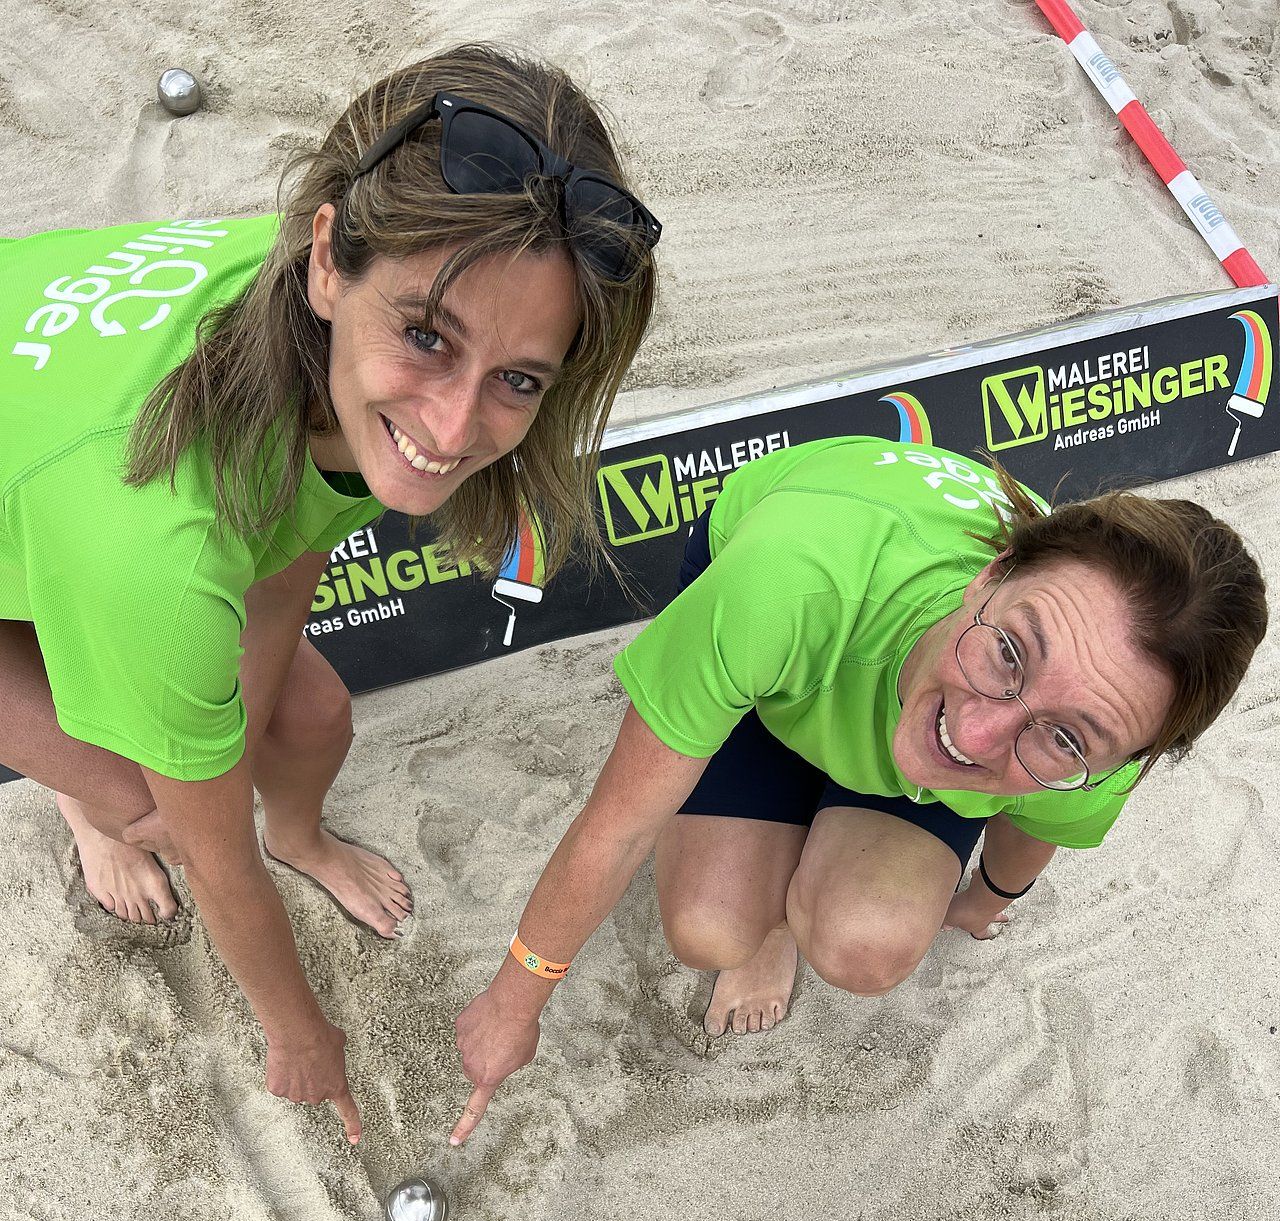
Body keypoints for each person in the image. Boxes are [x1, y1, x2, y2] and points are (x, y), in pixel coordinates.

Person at [0, 45, 660, 1141]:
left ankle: (301, 834)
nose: (454, 431)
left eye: (518, 380)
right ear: (324, 262)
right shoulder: (160, 553)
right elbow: (214, 865)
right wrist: (300, 1035)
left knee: (306, 716)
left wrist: (249, 744)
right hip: (75, 493)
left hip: (46, 453)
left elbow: (295, 539)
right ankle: (86, 811)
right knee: (144, 802)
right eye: (426, 339)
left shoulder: (322, 330)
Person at [451, 434, 1267, 1141]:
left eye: (1062, 736)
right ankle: (778, 882)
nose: (976, 738)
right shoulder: (784, 585)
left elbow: (1039, 820)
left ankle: (820, 811)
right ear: (991, 574)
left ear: (1129, 761)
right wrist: (514, 1002)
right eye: (1010, 652)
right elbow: (619, 824)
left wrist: (982, 899)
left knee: (867, 944)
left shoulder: (1104, 744)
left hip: (867, 659)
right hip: (807, 605)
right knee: (711, 929)